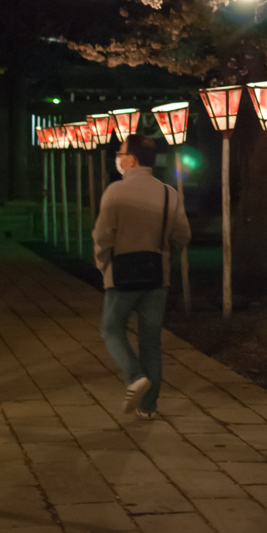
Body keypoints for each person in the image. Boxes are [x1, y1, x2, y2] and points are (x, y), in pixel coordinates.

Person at [93, 133, 190, 419]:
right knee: (150, 341)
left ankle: (135, 377)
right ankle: (149, 407)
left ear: (131, 160)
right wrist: (162, 256)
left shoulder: (115, 192)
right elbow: (182, 235)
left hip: (121, 274)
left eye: (121, 154)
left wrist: (103, 266)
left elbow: (102, 236)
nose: (119, 160)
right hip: (156, 276)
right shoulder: (168, 192)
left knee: (111, 329)